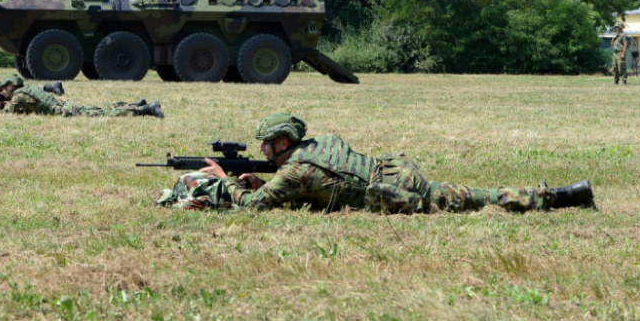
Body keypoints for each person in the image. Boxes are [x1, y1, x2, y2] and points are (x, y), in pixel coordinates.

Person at [158, 112, 595, 213]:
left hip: (390, 192)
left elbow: (254, 209)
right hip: (394, 167)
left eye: (268, 146)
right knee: (470, 195)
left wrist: (225, 180)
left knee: (474, 200)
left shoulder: (296, 170)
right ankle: (566, 194)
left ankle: (557, 198)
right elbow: (303, 186)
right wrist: (255, 178)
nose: (264, 151)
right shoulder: (319, 143)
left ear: (283, 142)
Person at [0, 75, 164, 118]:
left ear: (11, 87)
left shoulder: (18, 97)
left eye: (4, 89)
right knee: (100, 108)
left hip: (66, 112)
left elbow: (9, 113)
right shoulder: (28, 89)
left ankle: (145, 109)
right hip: (66, 106)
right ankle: (135, 105)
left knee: (103, 113)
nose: (2, 92)